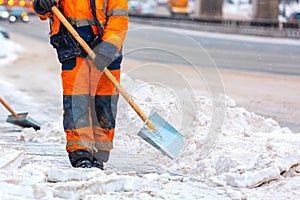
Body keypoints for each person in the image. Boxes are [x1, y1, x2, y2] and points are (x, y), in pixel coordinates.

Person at [31, 0, 128, 169]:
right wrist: (41, 4)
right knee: (77, 101)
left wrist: (108, 47)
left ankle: (100, 150)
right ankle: (80, 151)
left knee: (104, 102)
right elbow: (43, 9)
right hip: (72, 46)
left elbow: (118, 18)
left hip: (106, 51)